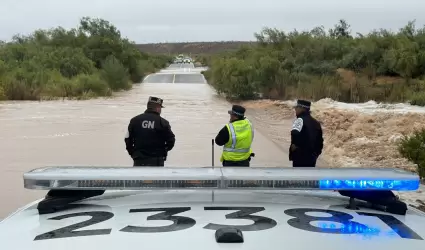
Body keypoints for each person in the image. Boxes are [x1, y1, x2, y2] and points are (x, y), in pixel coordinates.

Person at [125, 96, 176, 167]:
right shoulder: (163, 122)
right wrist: (164, 151)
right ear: (158, 108)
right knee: (156, 178)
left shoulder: (135, 120)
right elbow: (171, 140)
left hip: (139, 159)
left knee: (140, 177)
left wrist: (133, 153)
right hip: (157, 160)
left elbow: (127, 138)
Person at [289, 99, 324, 167]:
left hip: (299, 158)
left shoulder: (299, 120)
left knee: (299, 176)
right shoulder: (316, 123)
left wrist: (294, 148)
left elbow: (295, 134)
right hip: (312, 159)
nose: (295, 109)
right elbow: (320, 142)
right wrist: (316, 154)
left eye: (297, 107)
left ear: (302, 108)